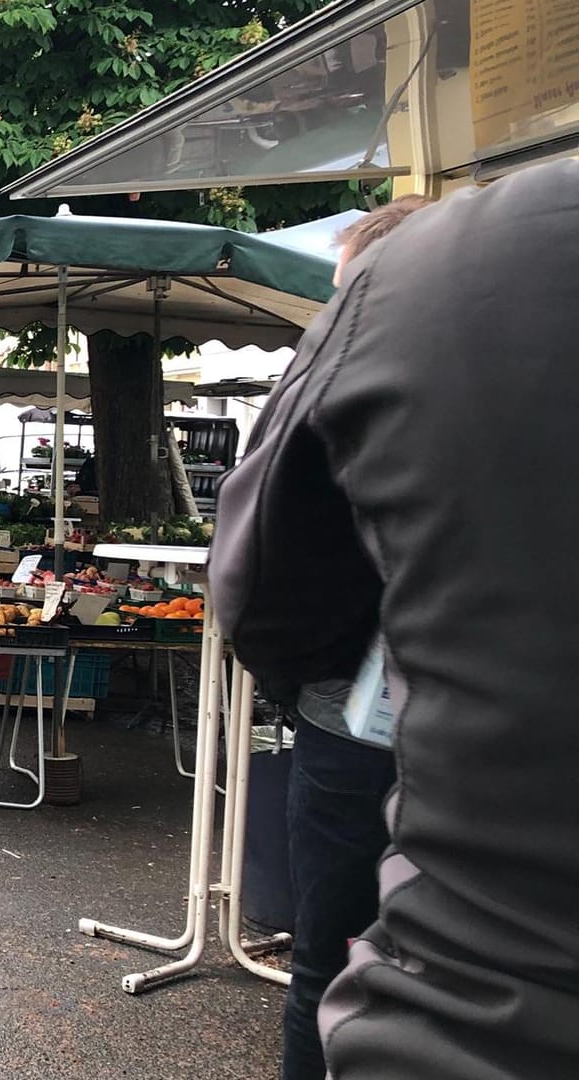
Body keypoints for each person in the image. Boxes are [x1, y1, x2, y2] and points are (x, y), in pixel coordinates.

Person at [212, 165, 579, 1080]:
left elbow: (259, 572)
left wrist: (316, 688)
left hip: (386, 756)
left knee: (328, 963)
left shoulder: (442, 276)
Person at [240, 194, 430, 1080]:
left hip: (354, 718)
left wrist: (292, 676)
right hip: (495, 726)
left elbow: (265, 560)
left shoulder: (332, 385)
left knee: (325, 961)